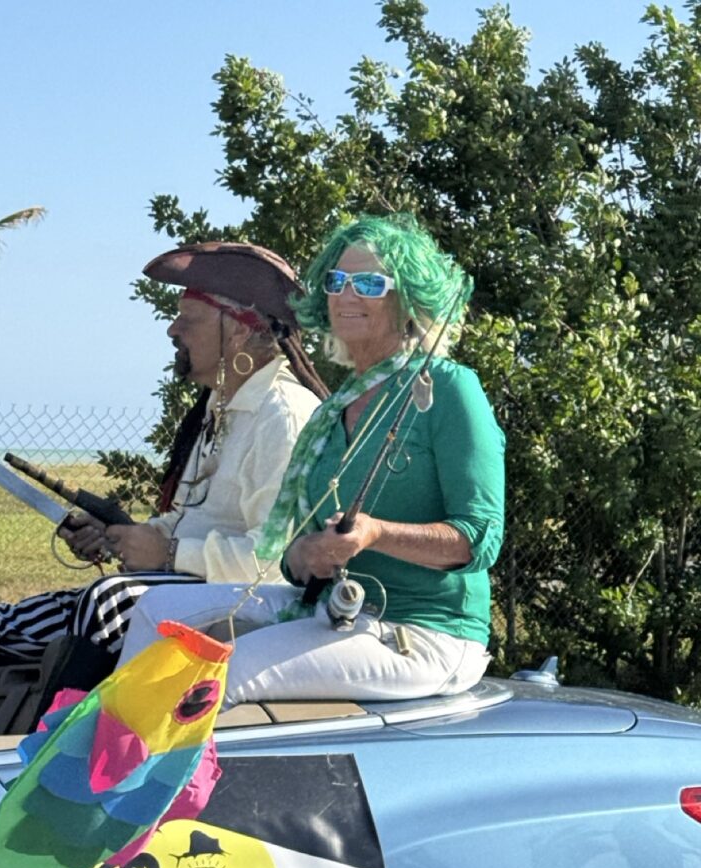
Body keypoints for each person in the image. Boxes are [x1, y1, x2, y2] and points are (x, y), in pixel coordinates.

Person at [118, 213, 505, 705]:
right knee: (156, 609)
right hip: (332, 610)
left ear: (407, 299)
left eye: (369, 282)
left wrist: (375, 534)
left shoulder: (450, 389)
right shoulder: (334, 410)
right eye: (336, 281)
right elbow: (292, 553)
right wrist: (302, 556)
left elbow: (480, 538)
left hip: (426, 633)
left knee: (215, 678)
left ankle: (152, 772)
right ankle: (112, 757)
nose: (347, 295)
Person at [0, 242, 327, 694]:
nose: (173, 330)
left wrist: (168, 556)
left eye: (188, 320)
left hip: (254, 603)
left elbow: (269, 563)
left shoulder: (282, 415)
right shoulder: (222, 406)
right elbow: (194, 521)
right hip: (198, 586)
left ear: (241, 330)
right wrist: (130, 538)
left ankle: (65, 747)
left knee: (106, 602)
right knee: (39, 617)